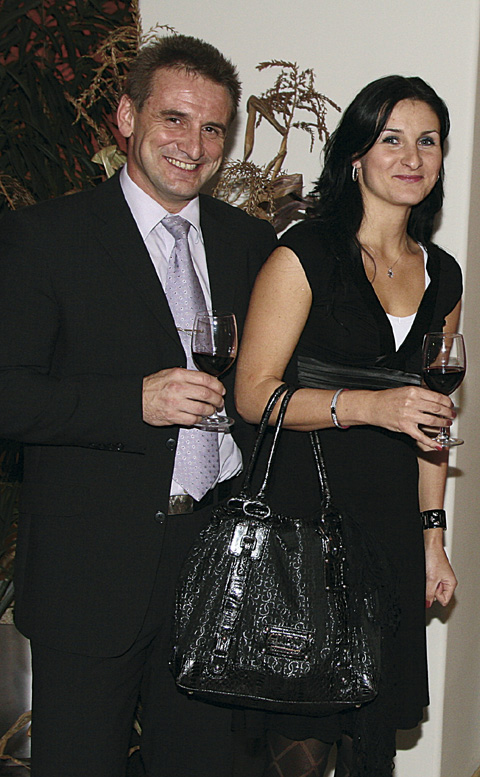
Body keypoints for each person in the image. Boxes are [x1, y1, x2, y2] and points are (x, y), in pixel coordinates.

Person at [0, 35, 277, 777]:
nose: (194, 145)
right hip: (91, 576)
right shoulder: (44, 238)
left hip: (215, 570)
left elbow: (270, 387)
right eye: (174, 119)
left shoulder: (251, 244)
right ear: (127, 117)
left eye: (212, 127)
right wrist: (134, 401)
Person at [234, 75, 461, 777]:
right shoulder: (304, 253)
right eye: (391, 139)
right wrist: (367, 405)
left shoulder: (443, 276)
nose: (412, 157)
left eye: (428, 141)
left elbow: (431, 418)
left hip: (388, 525)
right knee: (300, 738)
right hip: (304, 521)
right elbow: (253, 395)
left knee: (371, 740)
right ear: (356, 155)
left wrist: (432, 538)